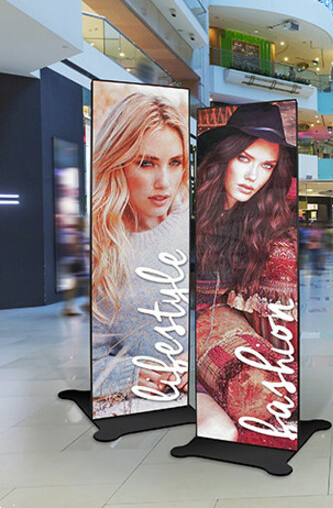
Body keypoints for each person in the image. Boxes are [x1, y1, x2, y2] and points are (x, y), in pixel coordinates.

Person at [195, 102, 298, 448]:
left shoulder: (259, 217)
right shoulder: (190, 210)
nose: (253, 176)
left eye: (266, 165)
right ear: (225, 156)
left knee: (263, 386)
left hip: (223, 320)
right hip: (180, 322)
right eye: (244, 158)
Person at [91, 90, 190, 418]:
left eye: (175, 163)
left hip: (204, 394)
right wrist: (129, 374)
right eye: (146, 163)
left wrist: (200, 357)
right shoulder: (98, 245)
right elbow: (85, 360)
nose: (164, 182)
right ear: (116, 163)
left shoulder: (198, 225)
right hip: (142, 406)